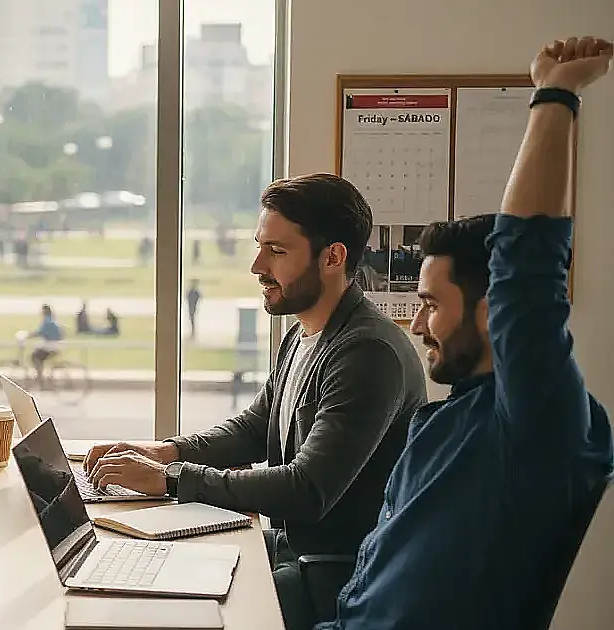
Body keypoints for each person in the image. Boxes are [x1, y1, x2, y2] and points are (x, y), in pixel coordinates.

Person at [318, 37, 614, 630]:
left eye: (429, 304)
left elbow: (527, 275)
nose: (416, 323)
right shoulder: (448, 419)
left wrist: (554, 93)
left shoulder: (535, 421)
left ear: (490, 310)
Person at [84, 173, 426, 630]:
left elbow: (307, 490)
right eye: (259, 246)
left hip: (330, 580)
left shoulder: (367, 353)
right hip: (292, 554)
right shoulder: (305, 335)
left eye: (277, 251)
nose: (257, 266)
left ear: (333, 257)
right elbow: (253, 428)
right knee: (133, 569)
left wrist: (170, 479)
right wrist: (167, 452)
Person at [28, 304, 65, 386]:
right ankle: (43, 377)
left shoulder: (47, 321)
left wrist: (28, 335)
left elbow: (39, 332)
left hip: (52, 346)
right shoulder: (53, 320)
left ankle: (40, 378)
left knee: (34, 356)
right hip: (57, 345)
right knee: (40, 355)